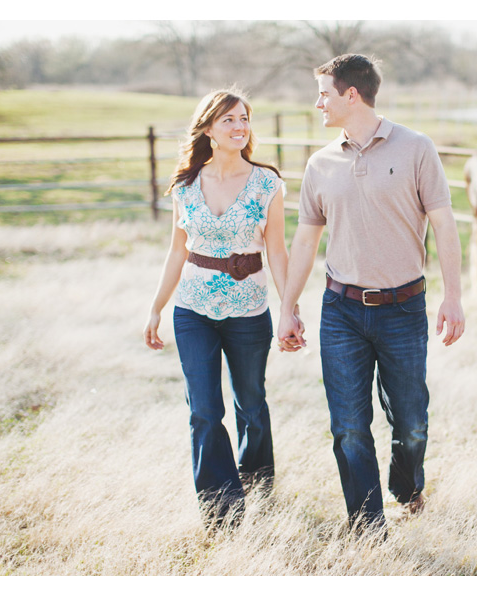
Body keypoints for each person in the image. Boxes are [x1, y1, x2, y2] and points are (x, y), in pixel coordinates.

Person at [277, 54, 465, 532]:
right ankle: (367, 525)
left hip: (403, 308)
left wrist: (454, 298)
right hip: (341, 310)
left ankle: (407, 486)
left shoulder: (416, 148)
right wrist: (287, 307)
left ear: (351, 95)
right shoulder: (320, 164)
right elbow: (304, 239)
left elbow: (444, 224)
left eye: (324, 93)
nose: (317, 103)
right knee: (348, 428)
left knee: (412, 422)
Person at [144, 86, 303, 526]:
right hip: (192, 310)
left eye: (245, 118)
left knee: (251, 404)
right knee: (204, 410)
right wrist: (157, 307)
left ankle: (257, 483)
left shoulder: (267, 182)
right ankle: (220, 508)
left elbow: (278, 251)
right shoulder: (185, 184)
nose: (239, 127)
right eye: (229, 119)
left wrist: (288, 309)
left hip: (249, 311)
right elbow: (177, 251)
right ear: (209, 129)